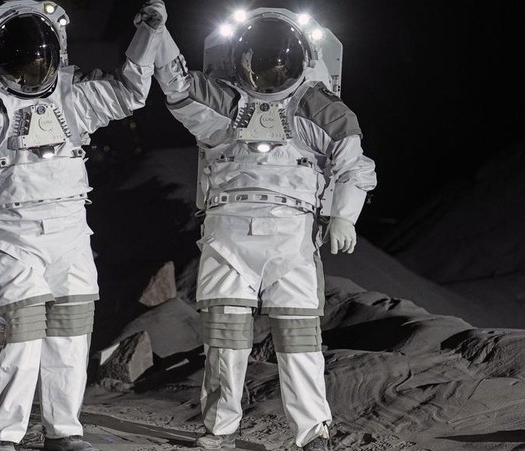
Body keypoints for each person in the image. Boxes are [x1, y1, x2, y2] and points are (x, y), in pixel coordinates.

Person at [0, 1, 173, 450]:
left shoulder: (69, 95)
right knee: (20, 340)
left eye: (39, 61)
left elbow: (130, 92)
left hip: (70, 233)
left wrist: (149, 36)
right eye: (22, 63)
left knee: (71, 335)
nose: (31, 71)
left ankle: (64, 432)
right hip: (9, 235)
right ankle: (6, 437)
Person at [151, 6, 377, 451]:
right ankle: (220, 430)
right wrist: (158, 35)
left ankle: (313, 433)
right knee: (225, 345)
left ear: (297, 60)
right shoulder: (224, 102)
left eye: (277, 61)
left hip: (290, 240)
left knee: (299, 346)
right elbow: (175, 84)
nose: (269, 70)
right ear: (241, 59)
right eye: (260, 60)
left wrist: (344, 214)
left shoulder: (318, 106)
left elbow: (355, 166)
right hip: (228, 236)